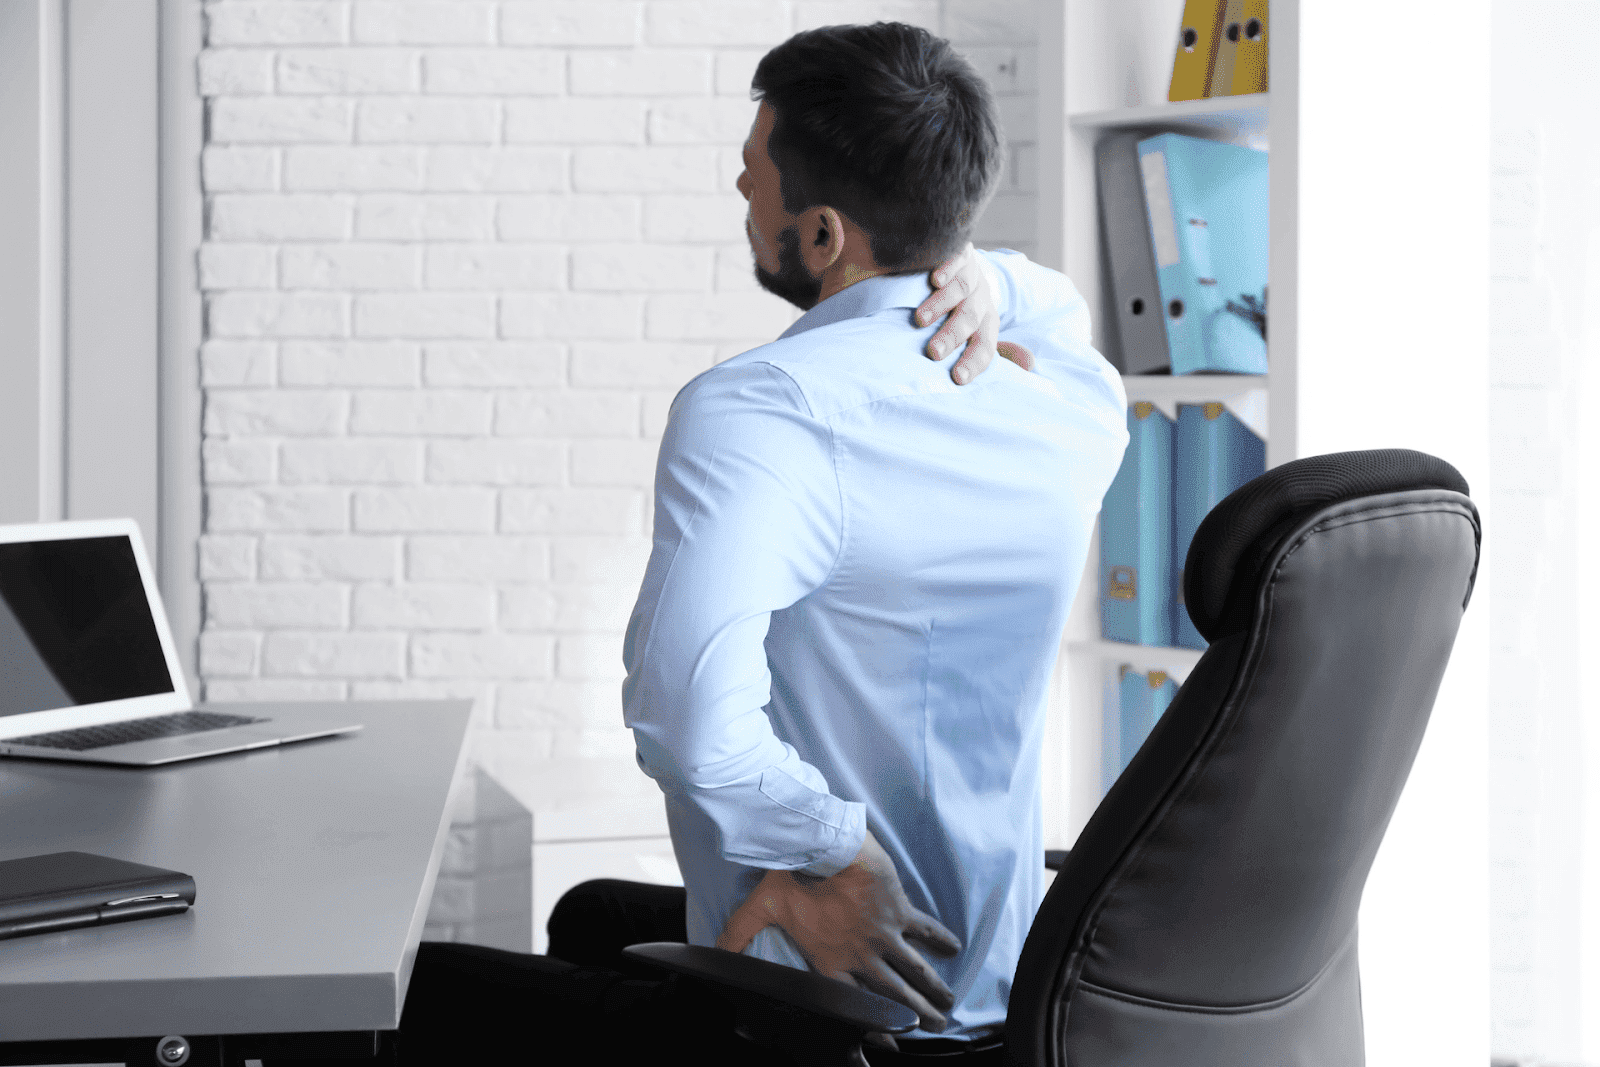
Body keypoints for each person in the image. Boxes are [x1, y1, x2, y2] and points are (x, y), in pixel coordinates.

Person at [395, 21, 1127, 1067]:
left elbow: (689, 724)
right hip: (1001, 978)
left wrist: (838, 854)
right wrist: (992, 284)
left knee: (403, 988)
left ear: (822, 234)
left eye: (753, 176)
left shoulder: (767, 409)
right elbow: (1067, 312)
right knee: (590, 912)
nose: (741, 193)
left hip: (822, 1008)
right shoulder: (1073, 410)